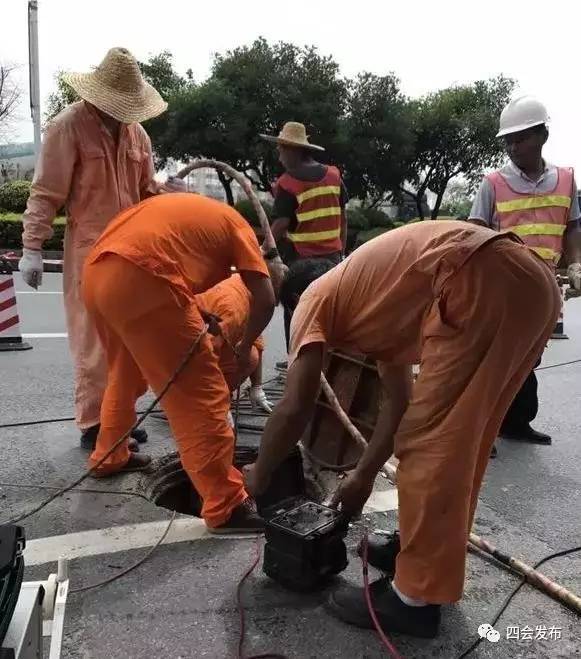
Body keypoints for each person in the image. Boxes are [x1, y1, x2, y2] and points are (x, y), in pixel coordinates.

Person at [244, 220, 560, 637]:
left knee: (430, 444)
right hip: (533, 283)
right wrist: (362, 476)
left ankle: (413, 599)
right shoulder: (380, 301)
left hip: (477, 276)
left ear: (295, 299)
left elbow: (295, 405)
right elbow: (397, 403)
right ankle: (421, 552)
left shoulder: (312, 298)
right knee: (464, 440)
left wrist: (259, 475)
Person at [18, 47, 184, 451]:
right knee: (93, 341)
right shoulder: (68, 127)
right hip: (91, 251)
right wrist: (32, 247)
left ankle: (120, 416)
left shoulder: (137, 134)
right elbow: (46, 192)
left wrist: (168, 196)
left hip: (133, 252)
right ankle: (94, 423)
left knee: (129, 339)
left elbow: (146, 192)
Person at [82, 193, 275, 533]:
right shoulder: (240, 229)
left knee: (125, 373)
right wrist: (244, 347)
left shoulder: (199, 214)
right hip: (144, 276)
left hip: (98, 273)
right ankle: (226, 505)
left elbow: (163, 255)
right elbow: (266, 299)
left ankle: (109, 456)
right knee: (200, 392)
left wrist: (198, 312)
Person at [469, 96, 581, 445]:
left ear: (542, 136)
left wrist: (576, 262)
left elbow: (573, 227)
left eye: (520, 138)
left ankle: (515, 422)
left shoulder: (565, 180)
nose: (513, 147)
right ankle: (479, 431)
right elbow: (474, 232)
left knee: (528, 358)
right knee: (494, 360)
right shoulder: (493, 184)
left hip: (544, 291)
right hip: (502, 290)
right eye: (508, 141)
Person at [260, 122, 348, 362]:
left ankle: (296, 359)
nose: (279, 157)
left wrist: (260, 251)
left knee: (296, 310)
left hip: (301, 261)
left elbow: (279, 226)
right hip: (332, 259)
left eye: (281, 150)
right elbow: (343, 216)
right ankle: (324, 360)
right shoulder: (333, 175)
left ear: (293, 150)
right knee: (326, 311)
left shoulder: (287, 183)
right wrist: (341, 250)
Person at [195, 274, 273, 413]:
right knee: (248, 357)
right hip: (187, 359)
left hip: (208, 345)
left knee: (250, 352)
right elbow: (204, 355)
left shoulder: (250, 287)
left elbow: (256, 341)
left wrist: (257, 387)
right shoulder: (233, 310)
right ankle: (202, 400)